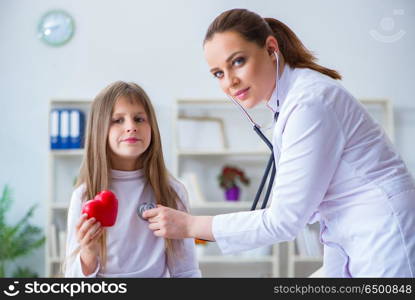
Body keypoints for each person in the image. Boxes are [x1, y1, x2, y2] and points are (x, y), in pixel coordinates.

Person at [143, 8, 415, 277]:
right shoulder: (290, 103)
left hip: (384, 234)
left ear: (271, 48)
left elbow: (284, 221)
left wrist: (190, 226)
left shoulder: (310, 102)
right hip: (349, 234)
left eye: (237, 61)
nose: (230, 81)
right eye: (218, 73)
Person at [64, 81, 201, 277]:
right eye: (118, 120)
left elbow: (186, 270)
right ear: (99, 130)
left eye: (139, 119)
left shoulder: (172, 191)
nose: (131, 127)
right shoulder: (84, 196)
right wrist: (88, 253)